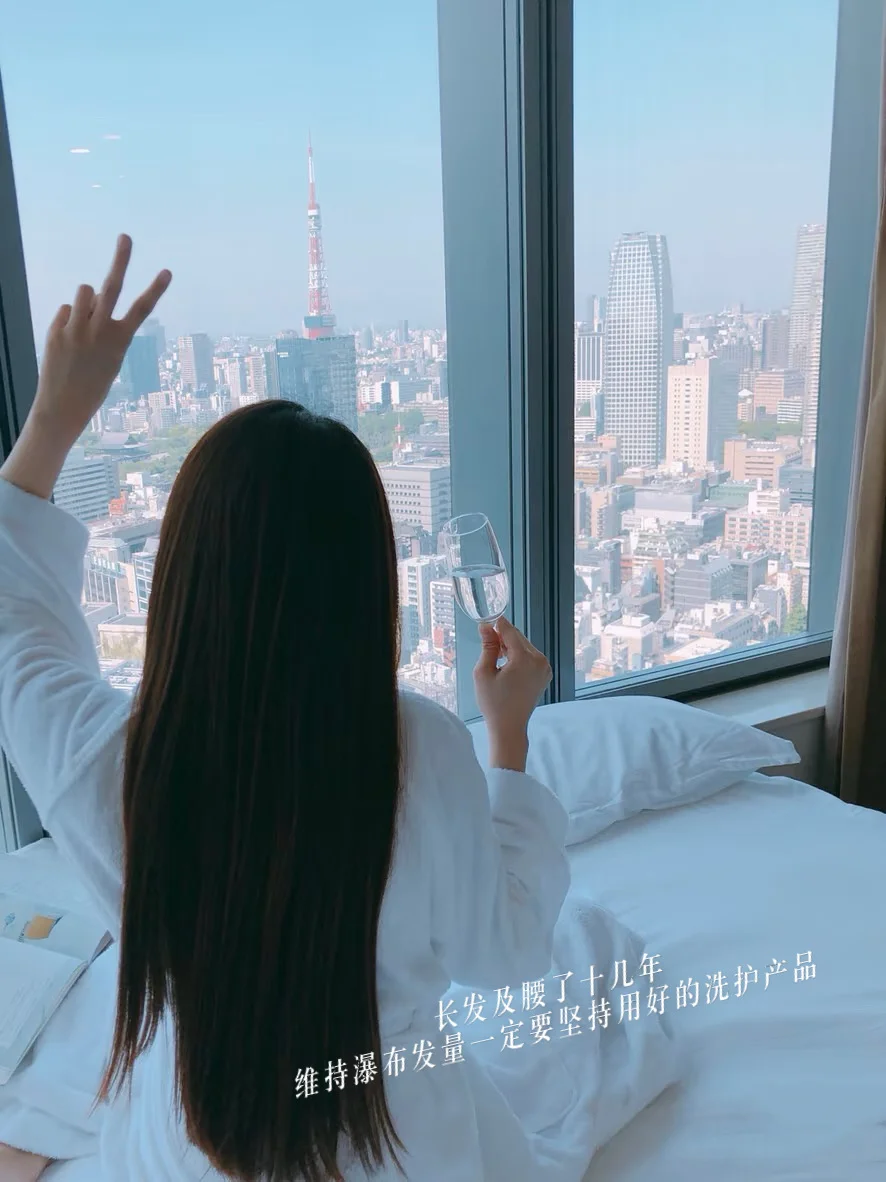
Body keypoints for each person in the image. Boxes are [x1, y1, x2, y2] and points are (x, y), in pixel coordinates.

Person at [0, 236, 584, 1181]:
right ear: (365, 588)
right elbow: (504, 951)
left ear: (184, 577)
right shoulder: (418, 748)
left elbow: (13, 617)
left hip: (190, 1144)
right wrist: (508, 741)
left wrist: (55, 417)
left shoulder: (103, 761)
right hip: (398, 1144)